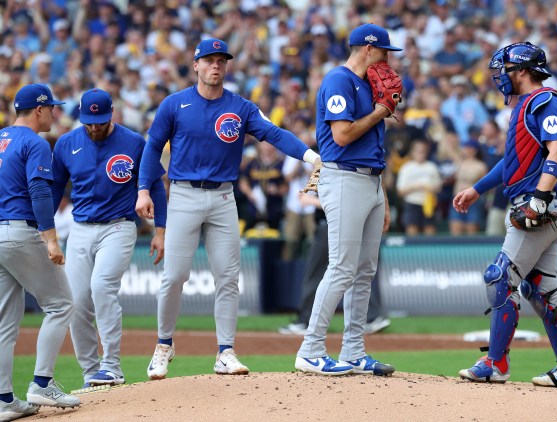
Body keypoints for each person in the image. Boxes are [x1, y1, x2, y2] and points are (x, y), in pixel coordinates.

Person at [136, 38, 320, 380]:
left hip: (223, 197)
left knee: (228, 279)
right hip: (185, 195)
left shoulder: (240, 107)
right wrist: (143, 189)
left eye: (221, 60)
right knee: (174, 275)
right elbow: (152, 148)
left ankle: (225, 351)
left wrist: (311, 156)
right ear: (196, 65)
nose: (215, 65)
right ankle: (163, 345)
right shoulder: (174, 105)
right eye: (209, 60)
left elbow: (274, 134)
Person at [453, 42, 557, 387]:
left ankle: (496, 362)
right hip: (532, 203)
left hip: (537, 206)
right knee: (541, 289)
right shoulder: (525, 106)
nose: (501, 77)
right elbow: (511, 163)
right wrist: (477, 189)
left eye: (506, 70)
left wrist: (541, 198)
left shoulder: (545, 101)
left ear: (523, 71)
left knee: (500, 278)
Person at [295, 24, 398, 377]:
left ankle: (354, 350)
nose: (388, 61)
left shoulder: (368, 84)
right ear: (368, 50)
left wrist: (380, 193)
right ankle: (310, 349)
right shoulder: (338, 81)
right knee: (341, 267)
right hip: (342, 177)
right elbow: (341, 135)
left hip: (369, 180)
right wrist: (382, 110)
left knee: (364, 270)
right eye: (385, 52)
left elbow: (371, 148)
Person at [51, 89, 167, 388]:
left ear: (111, 113)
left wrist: (160, 231)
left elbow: (155, 185)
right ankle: (91, 372)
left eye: (99, 121)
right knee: (75, 302)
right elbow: (53, 191)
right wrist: (45, 231)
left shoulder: (133, 142)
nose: (94, 127)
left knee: (102, 287)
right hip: (80, 228)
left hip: (119, 225)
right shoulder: (66, 143)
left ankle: (112, 365)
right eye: (89, 121)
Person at [0, 84, 80, 421]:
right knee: (61, 305)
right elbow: (38, 190)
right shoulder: (35, 142)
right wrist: (50, 239)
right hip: (20, 231)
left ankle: (4, 401)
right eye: (52, 108)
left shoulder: (2, 137)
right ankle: (42, 383)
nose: (55, 113)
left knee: (4, 323)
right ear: (39, 110)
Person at [279, 194, 391, 336]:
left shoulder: (334, 173)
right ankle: (372, 317)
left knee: (319, 274)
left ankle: (306, 321)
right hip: (353, 223)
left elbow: (341, 200)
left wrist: (311, 201)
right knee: (358, 270)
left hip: (332, 225)